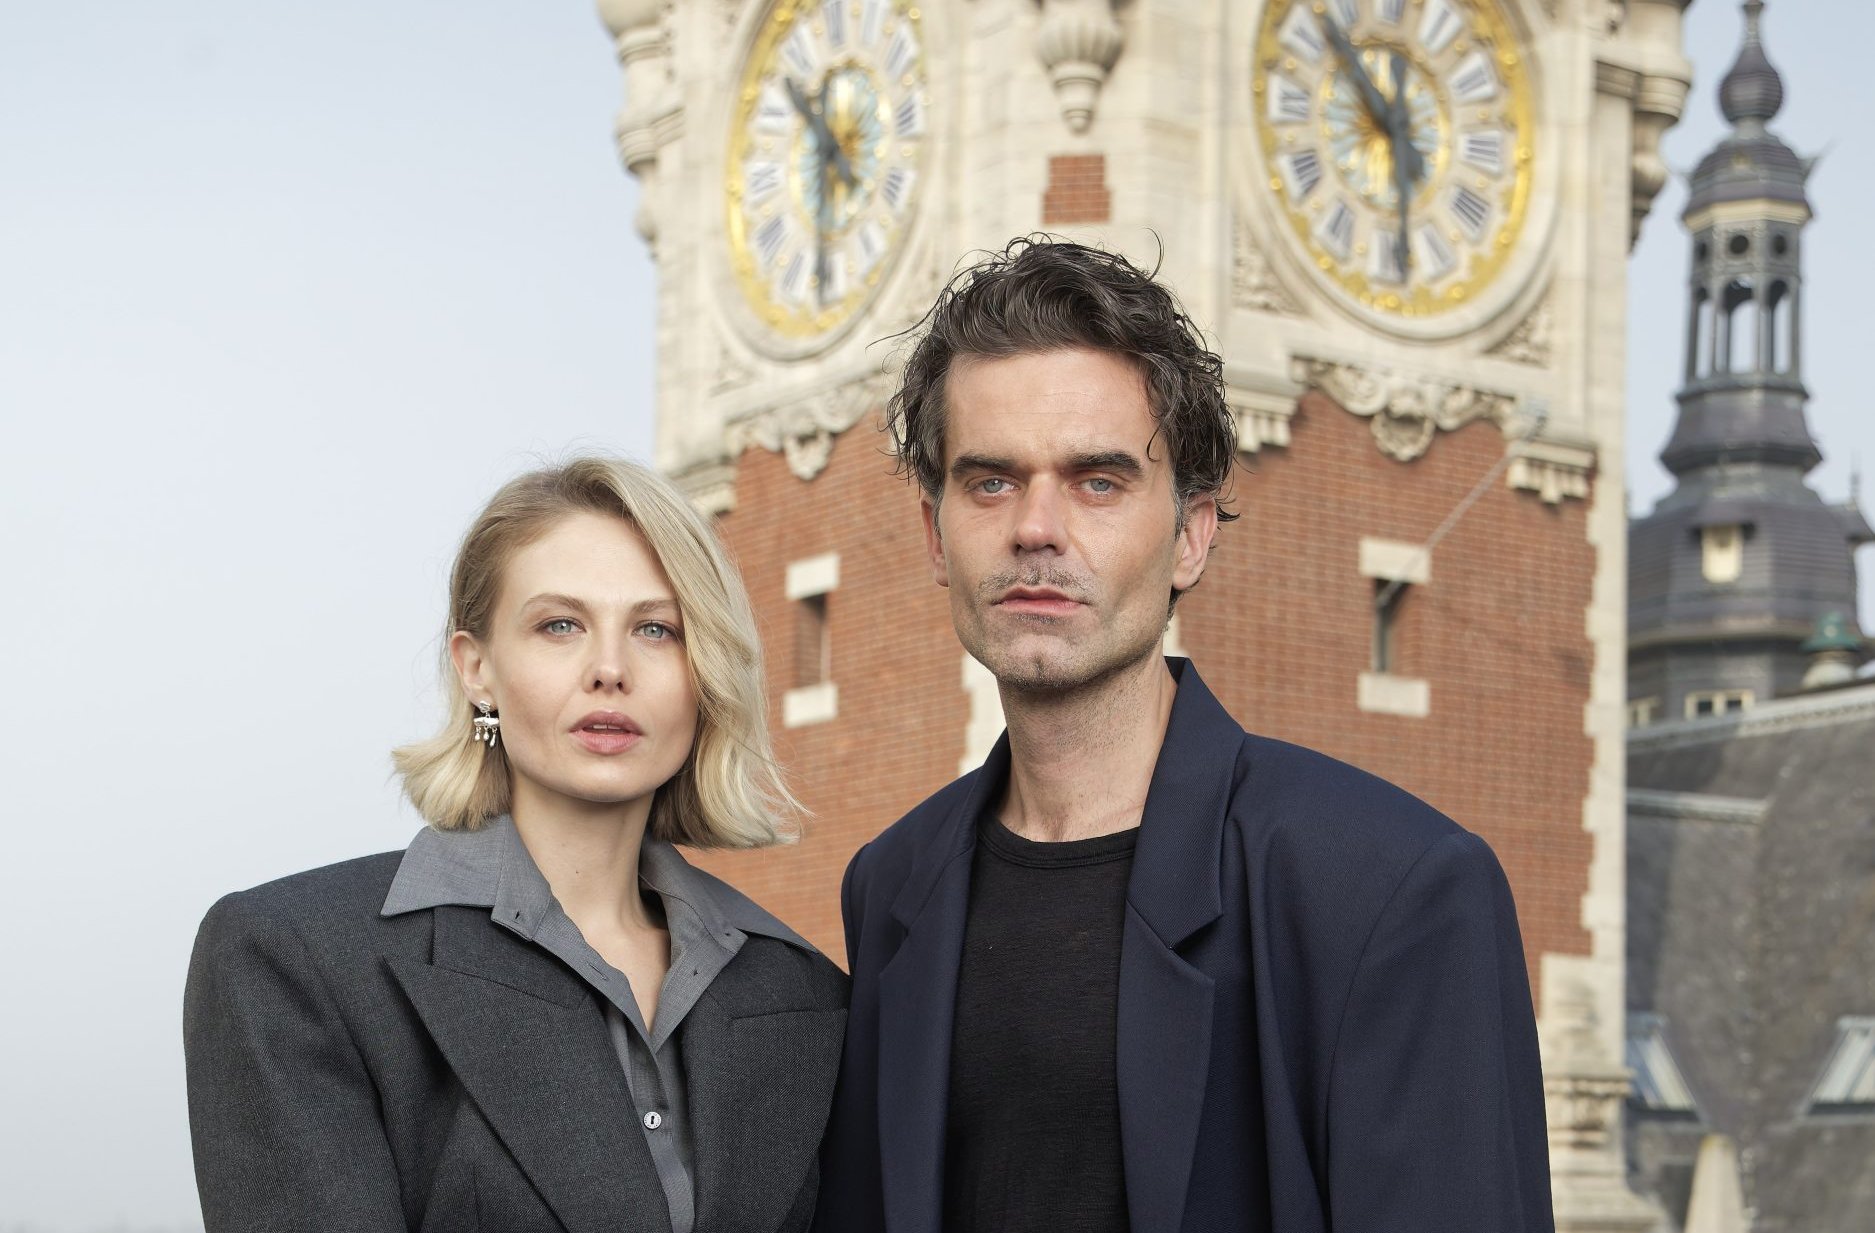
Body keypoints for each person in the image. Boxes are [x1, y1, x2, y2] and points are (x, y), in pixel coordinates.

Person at [812, 239, 1554, 1233]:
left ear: (1192, 535)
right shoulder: (890, 885)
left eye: (1098, 481)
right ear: (934, 533)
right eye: (990, 482)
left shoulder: (1395, 888)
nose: (1035, 527)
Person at [185, 457, 847, 1233]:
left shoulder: (809, 991)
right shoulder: (295, 959)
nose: (610, 669)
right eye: (559, 625)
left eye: (656, 628)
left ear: (704, 673)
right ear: (477, 669)